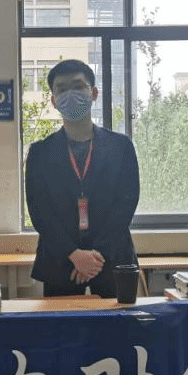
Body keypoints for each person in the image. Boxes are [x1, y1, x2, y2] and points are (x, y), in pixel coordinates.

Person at [25, 59, 140, 298]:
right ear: (54, 101)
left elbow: (126, 203)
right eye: (62, 89)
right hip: (60, 262)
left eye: (78, 86)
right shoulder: (40, 153)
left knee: (117, 322)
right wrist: (74, 254)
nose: (70, 94)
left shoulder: (121, 147)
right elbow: (40, 211)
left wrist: (96, 256)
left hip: (112, 260)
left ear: (94, 93)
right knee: (62, 323)